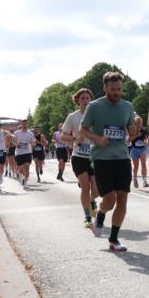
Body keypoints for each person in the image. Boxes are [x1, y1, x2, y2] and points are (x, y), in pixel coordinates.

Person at [81, 72, 138, 251]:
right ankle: (100, 213)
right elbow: (83, 130)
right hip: (102, 158)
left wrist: (133, 127)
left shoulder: (127, 106)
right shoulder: (94, 106)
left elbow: (132, 130)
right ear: (105, 88)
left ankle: (114, 239)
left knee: (122, 198)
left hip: (122, 156)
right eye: (112, 89)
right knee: (110, 199)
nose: (116, 92)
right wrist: (97, 138)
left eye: (119, 89)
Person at [62, 88, 100, 227]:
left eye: (87, 98)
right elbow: (63, 135)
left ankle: (92, 201)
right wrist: (75, 139)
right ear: (77, 100)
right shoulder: (73, 116)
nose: (85, 100)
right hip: (78, 156)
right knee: (85, 187)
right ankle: (88, 216)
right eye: (82, 98)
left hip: (94, 157)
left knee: (96, 190)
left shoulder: (97, 116)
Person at [12, 120, 36, 187]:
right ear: (21, 125)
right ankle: (21, 176)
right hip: (19, 153)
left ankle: (25, 182)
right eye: (23, 124)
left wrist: (33, 144)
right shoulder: (16, 133)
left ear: (28, 125)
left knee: (27, 166)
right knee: (21, 168)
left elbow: (33, 142)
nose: (24, 125)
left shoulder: (30, 134)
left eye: (26, 124)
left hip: (27, 152)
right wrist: (16, 144)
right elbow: (13, 141)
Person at [130, 116, 149, 188]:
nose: (139, 124)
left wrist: (146, 142)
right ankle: (135, 179)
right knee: (136, 166)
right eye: (137, 123)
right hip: (134, 149)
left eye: (140, 122)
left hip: (142, 149)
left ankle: (144, 181)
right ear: (134, 123)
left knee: (144, 164)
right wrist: (136, 136)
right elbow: (130, 140)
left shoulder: (144, 131)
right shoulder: (132, 130)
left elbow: (146, 139)